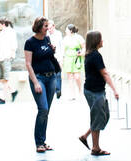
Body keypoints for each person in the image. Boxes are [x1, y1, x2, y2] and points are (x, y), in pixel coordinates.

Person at [78, 30, 119, 156]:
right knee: (98, 117)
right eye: (101, 39)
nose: (102, 41)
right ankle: (95, 148)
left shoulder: (91, 54)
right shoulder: (95, 56)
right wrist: (114, 89)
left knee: (103, 116)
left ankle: (85, 136)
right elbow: (104, 73)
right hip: (94, 92)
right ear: (96, 41)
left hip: (96, 91)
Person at [24, 16, 61, 153]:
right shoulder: (30, 42)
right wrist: (35, 83)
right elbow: (28, 64)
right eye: (46, 26)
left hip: (51, 77)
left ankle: (43, 141)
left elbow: (49, 56)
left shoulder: (47, 39)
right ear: (39, 27)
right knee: (43, 109)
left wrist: (53, 50)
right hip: (38, 78)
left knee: (46, 112)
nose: (48, 28)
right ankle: (39, 142)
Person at [0, 19, 18, 104]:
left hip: (6, 57)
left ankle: (3, 98)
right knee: (0, 78)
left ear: (3, 25)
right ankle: (13, 91)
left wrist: (11, 55)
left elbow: (14, 44)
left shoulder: (10, 32)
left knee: (6, 78)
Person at [61, 24, 85, 100]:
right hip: (68, 58)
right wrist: (62, 59)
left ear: (71, 30)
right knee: (70, 77)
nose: (65, 31)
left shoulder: (79, 37)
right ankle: (72, 94)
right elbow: (63, 50)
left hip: (77, 58)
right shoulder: (65, 39)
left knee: (77, 77)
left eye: (66, 29)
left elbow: (84, 47)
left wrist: (81, 53)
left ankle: (80, 90)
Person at [47, 20, 63, 98]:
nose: (49, 30)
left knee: (58, 74)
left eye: (50, 28)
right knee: (51, 74)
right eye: (48, 28)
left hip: (58, 57)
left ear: (54, 26)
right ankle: (52, 90)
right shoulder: (46, 35)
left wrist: (62, 58)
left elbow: (61, 46)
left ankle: (58, 90)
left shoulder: (58, 34)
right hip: (49, 58)